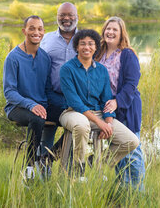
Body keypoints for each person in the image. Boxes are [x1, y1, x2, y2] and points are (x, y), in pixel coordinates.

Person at [59, 29, 139, 178]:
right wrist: (99, 123)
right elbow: (75, 102)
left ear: (96, 47)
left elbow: (106, 100)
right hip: (72, 113)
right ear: (77, 47)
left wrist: (108, 123)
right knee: (82, 124)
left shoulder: (101, 70)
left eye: (91, 44)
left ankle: (99, 164)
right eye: (82, 44)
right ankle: (79, 171)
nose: (86, 47)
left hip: (98, 115)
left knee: (131, 141)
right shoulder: (67, 69)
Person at [96, 16, 145, 191]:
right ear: (103, 31)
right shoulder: (98, 52)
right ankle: (123, 191)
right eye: (108, 29)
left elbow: (132, 83)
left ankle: (137, 193)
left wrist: (118, 102)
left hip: (127, 107)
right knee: (119, 150)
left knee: (133, 152)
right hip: (107, 109)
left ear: (121, 33)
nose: (110, 32)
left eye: (114, 30)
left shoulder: (127, 54)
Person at [3, 15, 53, 181]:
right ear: (24, 31)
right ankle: (30, 167)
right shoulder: (13, 57)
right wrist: (31, 105)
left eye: (39, 28)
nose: (36, 32)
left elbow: (46, 89)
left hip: (39, 106)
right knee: (37, 118)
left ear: (44, 32)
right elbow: (9, 92)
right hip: (17, 107)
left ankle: (47, 159)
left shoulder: (45, 58)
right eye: (32, 28)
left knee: (73, 119)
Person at [40, 2, 78, 153]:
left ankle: (64, 171)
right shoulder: (46, 39)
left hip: (76, 100)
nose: (66, 18)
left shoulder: (85, 40)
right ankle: (43, 169)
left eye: (70, 15)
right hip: (51, 98)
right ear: (57, 17)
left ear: (77, 17)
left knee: (75, 133)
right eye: (62, 15)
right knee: (46, 134)